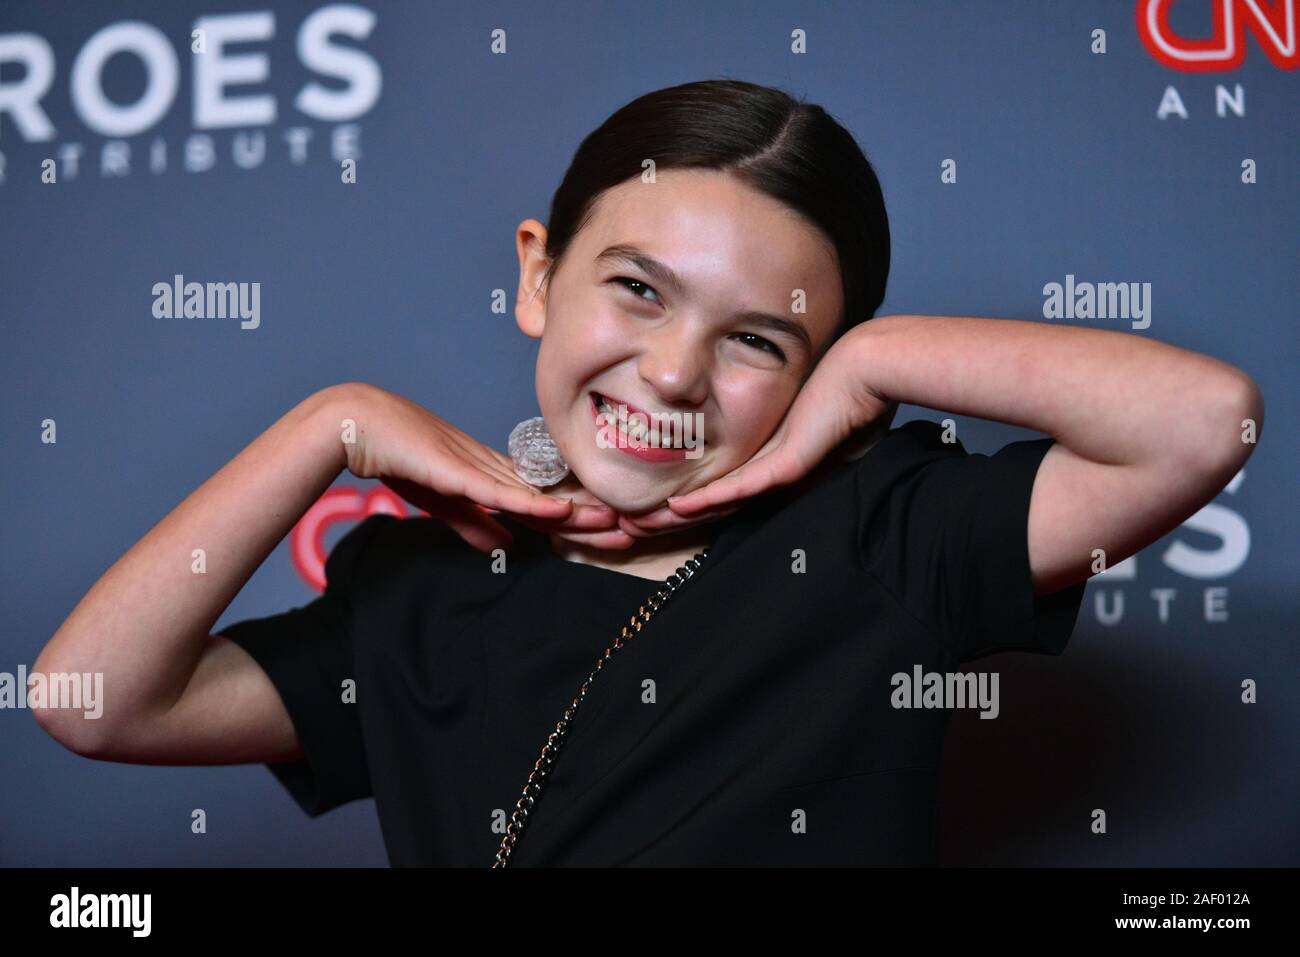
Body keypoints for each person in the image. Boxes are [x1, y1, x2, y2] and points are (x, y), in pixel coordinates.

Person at [31, 79, 1264, 867]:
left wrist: (875, 359)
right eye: (636, 289)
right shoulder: (413, 583)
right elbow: (92, 703)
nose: (673, 373)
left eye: (758, 341)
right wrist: (327, 425)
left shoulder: (886, 533)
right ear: (536, 274)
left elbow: (1205, 421)